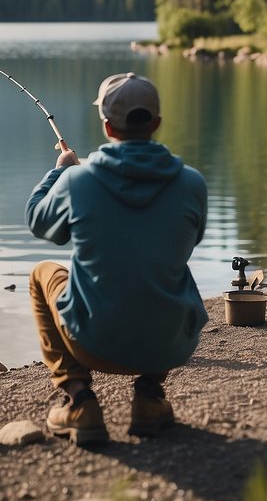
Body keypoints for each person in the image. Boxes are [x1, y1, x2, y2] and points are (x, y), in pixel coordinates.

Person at [26, 72, 209, 446]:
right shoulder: (192, 184)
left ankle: (79, 400)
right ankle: (150, 398)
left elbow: (40, 224)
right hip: (170, 343)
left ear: (107, 126)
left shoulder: (78, 182)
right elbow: (189, 241)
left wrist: (59, 173)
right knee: (166, 266)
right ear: (156, 123)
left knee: (42, 274)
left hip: (94, 342)